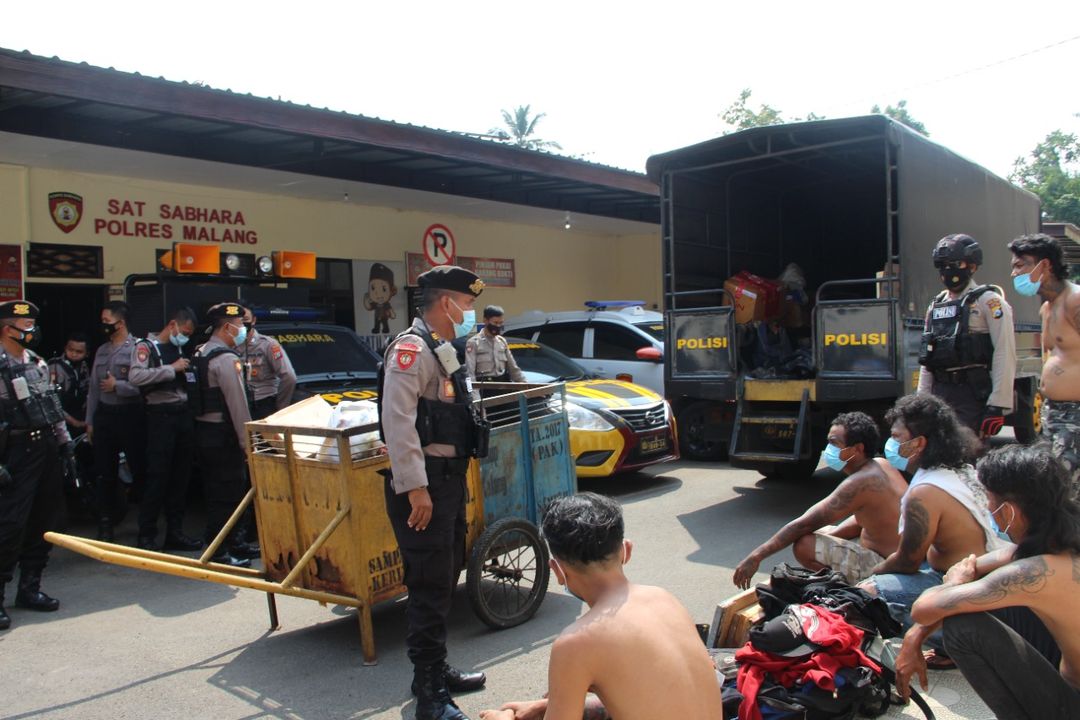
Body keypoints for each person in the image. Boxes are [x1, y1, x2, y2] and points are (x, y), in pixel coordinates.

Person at [478, 493, 724, 720]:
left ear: (558, 572)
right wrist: (545, 706)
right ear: (626, 550)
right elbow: (650, 693)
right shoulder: (666, 600)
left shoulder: (576, 644)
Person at [895, 444, 1080, 719]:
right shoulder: (1058, 540)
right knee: (984, 597)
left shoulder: (1033, 573)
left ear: (1009, 511)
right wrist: (915, 636)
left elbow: (923, 608)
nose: (988, 509)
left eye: (989, 501)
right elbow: (975, 567)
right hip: (1067, 673)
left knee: (962, 626)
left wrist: (952, 584)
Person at [379, 265, 489, 720]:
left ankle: (435, 669)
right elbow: (397, 420)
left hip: (446, 482)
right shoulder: (411, 349)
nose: (470, 313)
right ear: (447, 303)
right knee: (428, 586)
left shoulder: (441, 348)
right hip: (424, 488)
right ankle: (429, 695)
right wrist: (416, 488)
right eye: (467, 304)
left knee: (443, 579)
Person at [859, 394, 1002, 659]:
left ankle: (954, 641)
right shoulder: (962, 469)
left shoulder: (924, 492)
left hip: (963, 585)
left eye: (897, 437)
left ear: (920, 443)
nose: (891, 444)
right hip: (984, 577)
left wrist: (871, 574)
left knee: (866, 594)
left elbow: (907, 562)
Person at [733, 412, 907, 587]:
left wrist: (756, 556)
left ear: (857, 449)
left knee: (805, 544)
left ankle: (844, 588)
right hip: (900, 555)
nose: (829, 449)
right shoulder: (881, 464)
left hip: (887, 566)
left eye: (834, 443)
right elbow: (864, 518)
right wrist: (833, 535)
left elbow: (803, 524)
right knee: (823, 532)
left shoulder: (860, 482)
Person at [0, 300, 72, 630]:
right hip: (13, 450)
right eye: (26, 325)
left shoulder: (36, 361)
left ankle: (30, 587)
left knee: (44, 520)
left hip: (45, 447)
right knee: (10, 524)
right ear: (8, 329)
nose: (33, 330)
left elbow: (51, 407)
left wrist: (65, 443)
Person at [917, 233, 1016, 437]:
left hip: (972, 393)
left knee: (969, 451)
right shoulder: (935, 305)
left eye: (955, 264)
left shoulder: (989, 301)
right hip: (939, 394)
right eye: (942, 265)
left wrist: (997, 404)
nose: (948, 270)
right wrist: (921, 401)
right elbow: (927, 359)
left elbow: (1004, 352)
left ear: (972, 266)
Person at [1008, 233, 1080, 490]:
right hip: (1053, 413)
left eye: (1020, 265)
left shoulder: (1075, 300)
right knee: (1050, 491)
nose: (1014, 274)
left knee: (1064, 491)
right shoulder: (1047, 308)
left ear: (1045, 265)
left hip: (1075, 416)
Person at [128, 307, 202, 552]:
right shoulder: (146, 347)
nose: (185, 338)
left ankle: (175, 533)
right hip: (160, 417)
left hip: (183, 415)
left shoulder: (179, 349)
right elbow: (136, 377)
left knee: (180, 478)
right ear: (173, 325)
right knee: (157, 478)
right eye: (184, 332)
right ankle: (146, 535)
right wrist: (171, 369)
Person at [192, 303, 257, 568]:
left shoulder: (201, 352)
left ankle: (234, 543)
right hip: (224, 437)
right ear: (227, 327)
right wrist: (247, 443)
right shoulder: (226, 360)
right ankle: (218, 551)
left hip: (204, 433)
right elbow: (237, 404)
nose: (242, 330)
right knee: (228, 494)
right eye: (240, 325)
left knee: (217, 492)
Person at [86, 301, 147, 541]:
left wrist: (118, 386)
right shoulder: (102, 351)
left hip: (130, 414)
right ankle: (105, 524)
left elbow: (143, 385)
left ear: (120, 323)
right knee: (105, 472)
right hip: (105, 416)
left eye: (107, 322)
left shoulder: (138, 348)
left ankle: (146, 525)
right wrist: (90, 421)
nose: (103, 325)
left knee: (140, 470)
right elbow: (93, 389)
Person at [240, 308, 297, 420]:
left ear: (253, 320)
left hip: (262, 404)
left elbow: (289, 377)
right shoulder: (229, 345)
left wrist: (280, 409)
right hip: (237, 405)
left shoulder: (268, 345)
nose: (242, 324)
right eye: (238, 320)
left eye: (245, 319)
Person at [465, 305, 525, 383]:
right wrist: (474, 390)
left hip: (502, 386)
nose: (498, 326)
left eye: (501, 323)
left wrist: (526, 386)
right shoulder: (474, 343)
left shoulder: (502, 342)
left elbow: (514, 369)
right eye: (495, 322)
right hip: (484, 387)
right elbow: (469, 372)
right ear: (485, 320)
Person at [47, 331, 90, 437]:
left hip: (80, 415)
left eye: (79, 352)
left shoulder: (84, 366)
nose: (74, 354)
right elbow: (52, 402)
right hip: (61, 420)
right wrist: (74, 422)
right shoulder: (55, 366)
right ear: (65, 348)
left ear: (87, 353)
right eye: (70, 350)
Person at [363, 262, 398, 334]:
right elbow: (369, 307)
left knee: (385, 323)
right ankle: (376, 329)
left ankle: (386, 329)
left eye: (384, 289)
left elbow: (390, 309)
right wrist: (366, 299)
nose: (378, 293)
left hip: (384, 316)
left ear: (391, 291)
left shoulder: (386, 304)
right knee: (377, 323)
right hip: (377, 316)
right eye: (373, 288)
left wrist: (392, 314)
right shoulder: (375, 303)